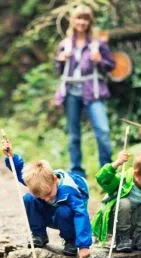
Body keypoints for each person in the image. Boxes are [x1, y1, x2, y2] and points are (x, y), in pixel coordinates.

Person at [2, 138, 92, 258]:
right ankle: (39, 235)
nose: (46, 198)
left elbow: (81, 215)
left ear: (55, 179)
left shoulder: (69, 190)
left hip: (66, 218)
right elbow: (20, 172)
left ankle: (70, 241)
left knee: (64, 210)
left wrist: (83, 245)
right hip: (49, 214)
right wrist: (11, 156)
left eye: (49, 194)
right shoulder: (41, 183)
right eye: (42, 196)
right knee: (28, 198)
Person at [55, 5, 115, 178]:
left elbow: (110, 66)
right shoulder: (65, 44)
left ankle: (106, 172)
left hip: (93, 90)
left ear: (89, 22)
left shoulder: (98, 43)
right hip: (71, 92)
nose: (82, 22)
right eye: (78, 18)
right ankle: (76, 172)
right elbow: (60, 70)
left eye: (85, 19)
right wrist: (61, 60)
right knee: (74, 135)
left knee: (103, 131)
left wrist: (100, 60)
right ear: (73, 21)